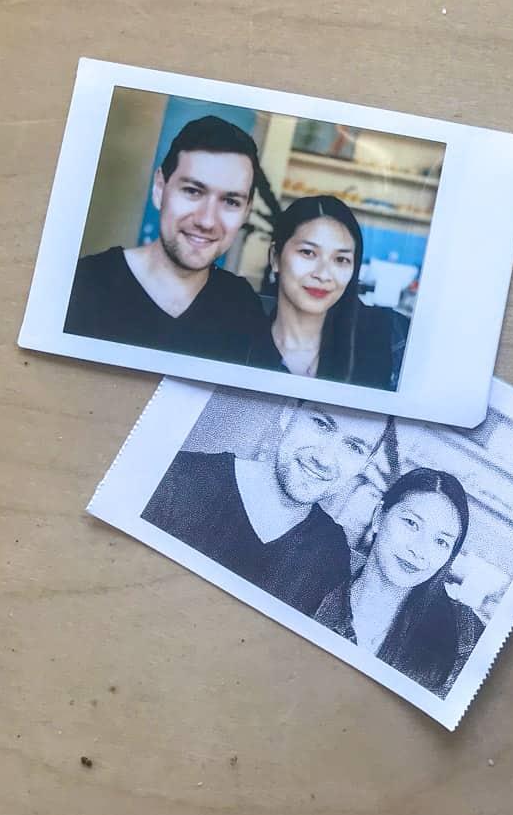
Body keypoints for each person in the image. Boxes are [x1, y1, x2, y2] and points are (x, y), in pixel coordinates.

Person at [142, 399, 395, 617]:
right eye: (321, 424)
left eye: (353, 447)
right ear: (288, 412)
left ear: (365, 463)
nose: (325, 458)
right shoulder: (176, 480)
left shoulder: (330, 552)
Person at [65, 115, 280, 364]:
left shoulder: (242, 306)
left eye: (231, 201)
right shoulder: (83, 283)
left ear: (246, 211)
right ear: (159, 188)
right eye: (192, 191)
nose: (207, 221)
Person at [314, 468, 483, 698]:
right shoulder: (313, 580)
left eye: (441, 541)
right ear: (378, 517)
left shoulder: (465, 634)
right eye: (411, 523)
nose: (419, 550)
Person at [246, 195, 408, 390]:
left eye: (341, 259)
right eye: (308, 252)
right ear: (275, 257)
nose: (323, 274)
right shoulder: (239, 345)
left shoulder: (393, 337)